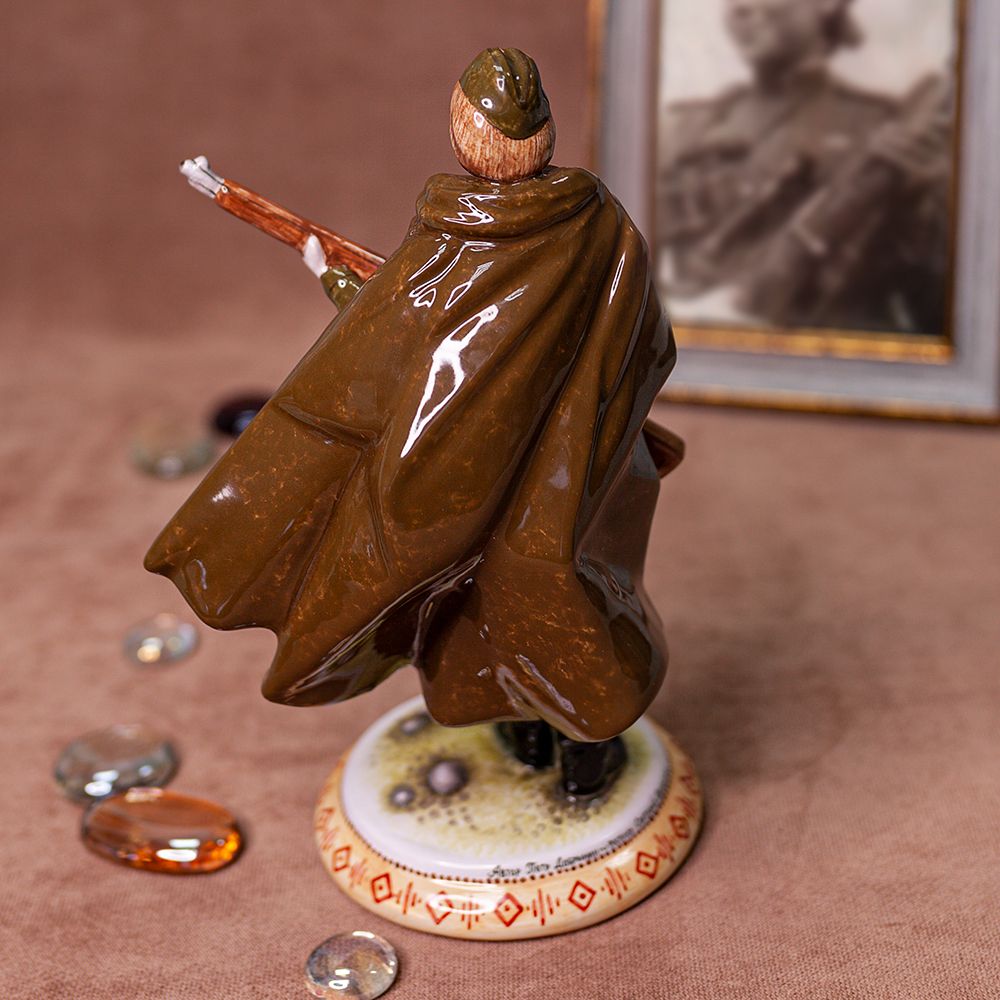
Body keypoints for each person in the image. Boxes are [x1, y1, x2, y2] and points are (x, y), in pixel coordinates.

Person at [146, 48, 682, 800]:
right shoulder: (601, 222)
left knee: (505, 613)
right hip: (573, 478)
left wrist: (331, 276)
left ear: (465, 134)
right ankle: (562, 749)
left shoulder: (454, 239)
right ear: (544, 136)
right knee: (557, 610)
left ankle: (562, 750)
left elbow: (393, 343)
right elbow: (645, 335)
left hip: (476, 496)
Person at [658, 0, 953, 334]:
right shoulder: (685, 129)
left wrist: (930, 200)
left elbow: (937, 313)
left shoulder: (885, 129)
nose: (740, 6)